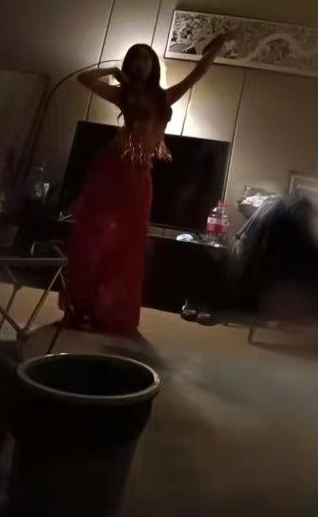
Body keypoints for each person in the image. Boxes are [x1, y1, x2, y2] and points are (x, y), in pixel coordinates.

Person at [61, 35, 229, 335]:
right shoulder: (122, 95)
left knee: (129, 242)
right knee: (97, 237)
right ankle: (83, 305)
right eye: (135, 59)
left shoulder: (165, 97)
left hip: (140, 172)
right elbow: (83, 78)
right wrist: (113, 71)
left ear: (153, 65)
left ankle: (109, 310)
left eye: (145, 58)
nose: (140, 63)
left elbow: (197, 73)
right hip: (114, 166)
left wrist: (218, 46)